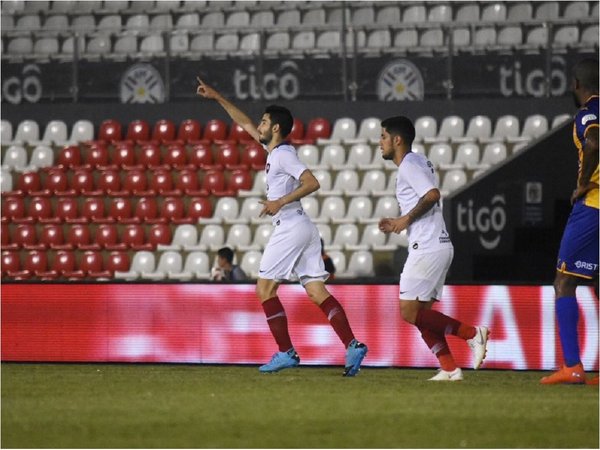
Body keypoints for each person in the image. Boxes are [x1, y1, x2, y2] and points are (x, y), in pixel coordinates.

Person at [196, 77, 368, 376]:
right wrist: (217, 97)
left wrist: (280, 202)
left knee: (264, 289)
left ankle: (286, 352)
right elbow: (245, 123)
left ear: (275, 128)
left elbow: (313, 182)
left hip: (290, 225)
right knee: (315, 291)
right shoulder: (275, 153)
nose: (258, 126)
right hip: (303, 227)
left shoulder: (285, 154)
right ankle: (353, 345)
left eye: (264, 122)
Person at [377, 115, 489, 381]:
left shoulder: (408, 166)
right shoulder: (417, 161)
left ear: (397, 139)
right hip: (435, 244)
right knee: (421, 315)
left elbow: (432, 195)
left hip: (427, 246)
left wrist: (405, 219)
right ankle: (449, 368)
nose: (379, 143)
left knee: (408, 312)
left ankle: (472, 334)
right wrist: (399, 221)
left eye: (383, 137)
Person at [540, 58, 599, 386]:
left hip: (594, 206)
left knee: (564, 281)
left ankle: (573, 367)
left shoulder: (587, 112)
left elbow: (592, 141)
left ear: (576, 84)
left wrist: (584, 183)